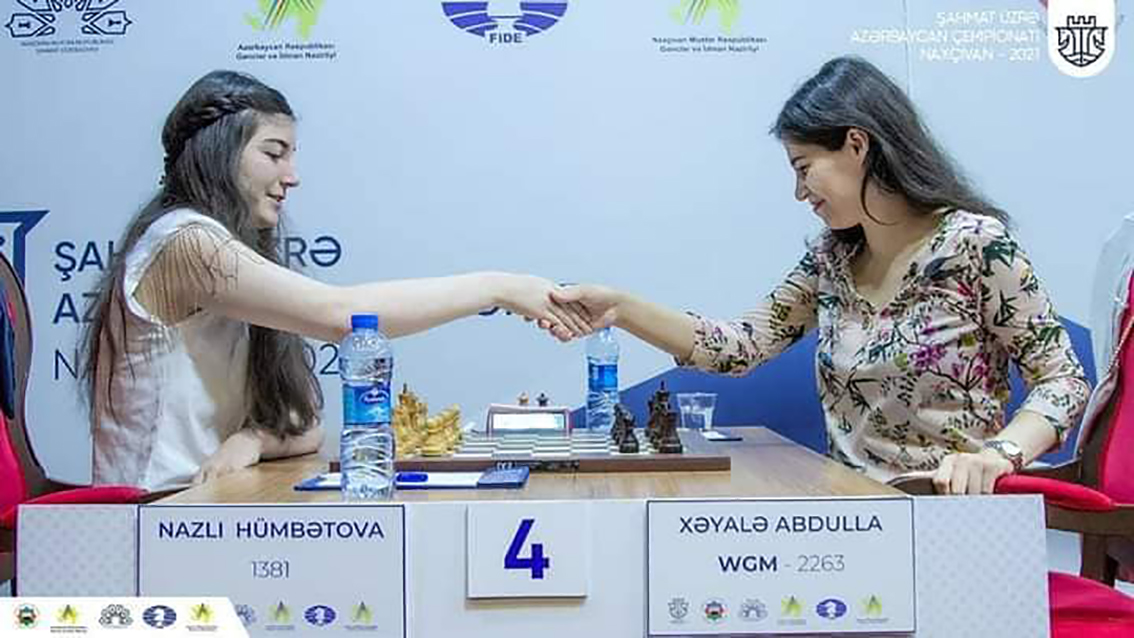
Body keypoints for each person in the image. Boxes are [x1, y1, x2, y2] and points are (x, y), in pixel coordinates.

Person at [551, 56, 1090, 495]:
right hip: (850, 519)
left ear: (857, 144)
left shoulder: (974, 244)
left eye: (803, 168)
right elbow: (738, 346)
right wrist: (618, 309)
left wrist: (1000, 454)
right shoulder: (830, 262)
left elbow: (1063, 380)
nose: (799, 192)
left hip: (951, 515)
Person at [81, 70, 591, 491]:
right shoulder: (185, 241)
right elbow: (343, 316)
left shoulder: (220, 246)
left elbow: (304, 425)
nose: (292, 175)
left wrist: (253, 439)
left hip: (206, 508)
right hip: (148, 516)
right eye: (274, 153)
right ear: (219, 152)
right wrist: (499, 287)